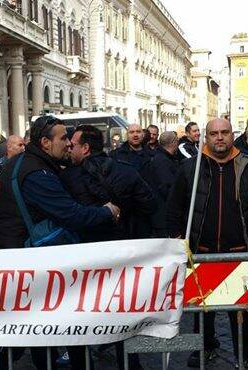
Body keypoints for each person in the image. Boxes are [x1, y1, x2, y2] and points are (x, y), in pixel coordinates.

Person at [0, 116, 119, 370]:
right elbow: (71, 214)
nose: (69, 143)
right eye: (63, 138)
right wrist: (107, 211)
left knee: (34, 326)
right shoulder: (37, 172)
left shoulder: (28, 163)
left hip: (21, 255)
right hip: (24, 259)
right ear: (45, 142)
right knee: (17, 331)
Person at [166, 118, 248, 369]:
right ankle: (204, 348)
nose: (220, 137)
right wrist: (176, 238)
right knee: (202, 309)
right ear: (206, 136)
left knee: (243, 310)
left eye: (224, 132)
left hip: (239, 251)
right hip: (202, 251)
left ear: (232, 134)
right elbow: (174, 207)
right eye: (214, 133)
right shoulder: (190, 168)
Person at [60, 124, 156, 370]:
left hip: (84, 257)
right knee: (121, 312)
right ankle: (130, 363)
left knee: (80, 315)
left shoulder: (68, 177)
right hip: (120, 254)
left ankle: (82, 363)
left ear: (86, 147)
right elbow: (149, 205)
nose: (69, 150)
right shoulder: (127, 171)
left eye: (73, 145)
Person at [145, 131, 182, 237]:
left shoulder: (161, 158)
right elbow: (168, 188)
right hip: (163, 217)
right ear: (174, 143)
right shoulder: (162, 161)